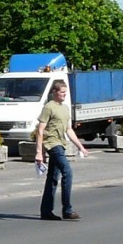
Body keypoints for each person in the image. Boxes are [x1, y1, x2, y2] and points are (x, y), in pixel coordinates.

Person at [35, 80, 89, 221]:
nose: (65, 94)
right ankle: (67, 209)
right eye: (62, 92)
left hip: (61, 144)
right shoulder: (49, 107)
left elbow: (68, 130)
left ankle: (46, 211)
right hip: (53, 145)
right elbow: (40, 130)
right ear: (55, 92)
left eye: (66, 92)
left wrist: (80, 147)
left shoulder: (65, 108)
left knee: (53, 178)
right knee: (67, 172)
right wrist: (39, 152)